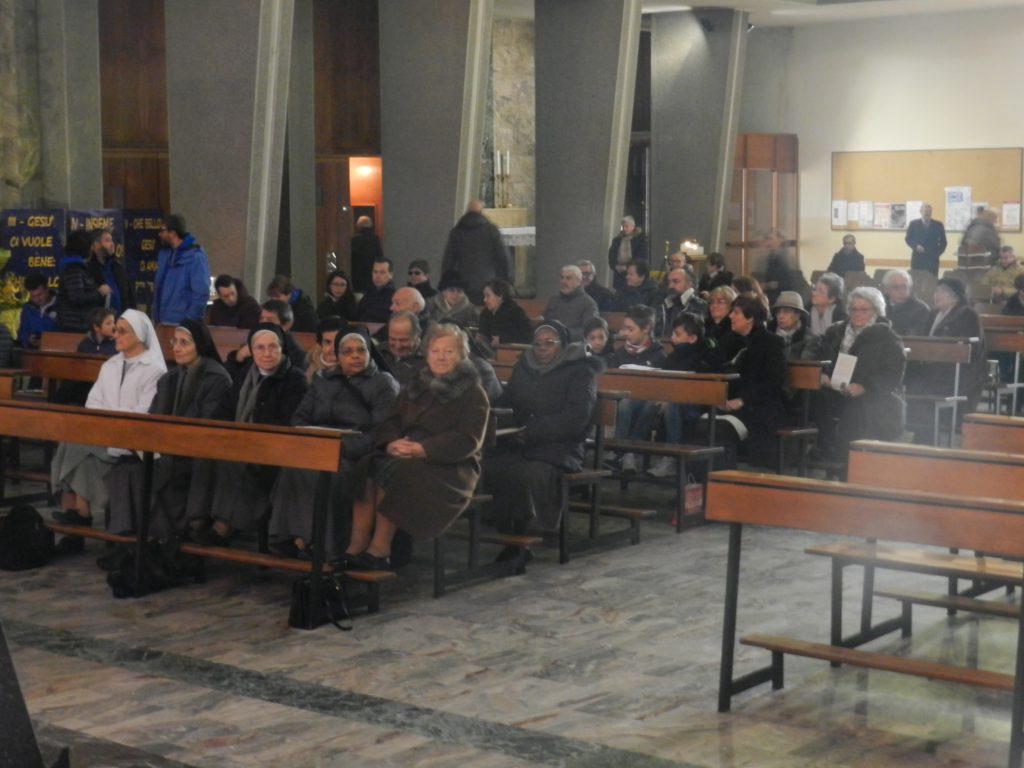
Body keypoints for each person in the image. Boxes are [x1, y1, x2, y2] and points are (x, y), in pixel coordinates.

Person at [338, 323, 489, 570]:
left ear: (461, 355)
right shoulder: (417, 384)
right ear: (426, 354)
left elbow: (467, 439)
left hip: (448, 467)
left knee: (395, 472)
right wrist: (391, 443)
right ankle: (357, 544)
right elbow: (392, 420)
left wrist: (422, 449)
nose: (441, 356)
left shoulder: (473, 393)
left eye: (449, 351)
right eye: (435, 350)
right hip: (405, 454)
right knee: (368, 465)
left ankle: (380, 549)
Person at [268, 330, 399, 559]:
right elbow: (299, 417)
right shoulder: (323, 379)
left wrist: (344, 448)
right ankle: (294, 537)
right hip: (317, 447)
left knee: (325, 473)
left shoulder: (382, 382)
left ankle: (322, 545)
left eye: (361, 350)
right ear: (338, 356)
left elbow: (381, 431)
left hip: (355, 454)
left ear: (369, 353)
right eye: (348, 352)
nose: (355, 356)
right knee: (292, 468)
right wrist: (311, 440)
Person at [105, 320, 233, 538]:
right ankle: (127, 540)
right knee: (122, 469)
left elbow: (208, 424)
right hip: (164, 448)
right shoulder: (169, 378)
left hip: (194, 452)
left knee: (138, 473)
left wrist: (167, 442)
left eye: (185, 342)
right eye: (175, 341)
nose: (177, 348)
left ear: (200, 344)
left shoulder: (216, 378)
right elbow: (154, 415)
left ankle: (153, 539)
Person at [483, 321, 603, 544]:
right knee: (491, 464)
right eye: (537, 344)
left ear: (562, 344)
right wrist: (501, 423)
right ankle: (504, 529)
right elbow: (509, 401)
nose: (542, 349)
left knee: (533, 472)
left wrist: (533, 431)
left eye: (549, 343)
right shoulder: (524, 366)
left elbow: (576, 418)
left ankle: (536, 531)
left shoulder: (580, 370)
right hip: (522, 441)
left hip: (561, 445)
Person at [50, 310, 167, 527]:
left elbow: (143, 412)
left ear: (139, 335)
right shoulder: (110, 365)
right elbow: (93, 402)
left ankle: (77, 512)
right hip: (104, 435)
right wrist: (109, 420)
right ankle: (79, 513)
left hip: (133, 442)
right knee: (71, 444)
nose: (115, 335)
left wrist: (110, 418)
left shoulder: (154, 370)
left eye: (122, 331)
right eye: (115, 330)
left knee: (73, 446)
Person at [197, 323, 309, 545]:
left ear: (282, 349)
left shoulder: (295, 380)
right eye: (260, 348)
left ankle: (222, 526)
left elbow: (288, 422)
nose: (267, 353)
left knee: (235, 462)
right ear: (251, 350)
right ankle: (196, 521)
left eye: (273, 347)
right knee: (204, 458)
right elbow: (223, 411)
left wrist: (245, 439)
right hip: (240, 444)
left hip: (274, 451)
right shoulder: (243, 376)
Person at [808, 287, 906, 465]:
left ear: (876, 311)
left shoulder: (888, 338)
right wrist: (821, 374)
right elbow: (819, 355)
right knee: (814, 397)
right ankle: (822, 450)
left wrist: (864, 387)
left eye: (863, 310)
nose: (857, 314)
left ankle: (845, 462)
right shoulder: (835, 332)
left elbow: (892, 373)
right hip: (835, 388)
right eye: (853, 309)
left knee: (855, 410)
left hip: (873, 395)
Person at [717, 294, 786, 470]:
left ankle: (728, 479)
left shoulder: (771, 343)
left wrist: (742, 400)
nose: (730, 316)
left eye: (736, 312)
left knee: (721, 428)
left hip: (759, 406)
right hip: (731, 403)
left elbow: (773, 383)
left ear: (750, 318)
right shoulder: (729, 341)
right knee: (700, 421)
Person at [648, 312, 721, 478]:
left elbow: (702, 390)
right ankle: (628, 453)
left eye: (677, 334)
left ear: (692, 338)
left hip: (694, 406)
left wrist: (670, 397)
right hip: (669, 400)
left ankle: (671, 457)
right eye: (673, 333)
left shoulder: (705, 358)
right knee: (641, 403)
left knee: (672, 406)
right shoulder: (672, 357)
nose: (672, 338)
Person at [606, 305, 666, 474]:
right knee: (625, 403)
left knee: (651, 405)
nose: (626, 333)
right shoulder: (619, 354)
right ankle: (626, 453)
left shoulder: (658, 355)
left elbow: (663, 386)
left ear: (646, 329)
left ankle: (625, 452)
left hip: (647, 400)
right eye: (624, 328)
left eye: (630, 329)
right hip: (623, 399)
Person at [442, 200, 511, 305]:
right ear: (481, 212)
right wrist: (507, 281)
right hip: (488, 283)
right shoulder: (491, 230)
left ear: (467, 212)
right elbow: (504, 258)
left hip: (463, 284)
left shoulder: (456, 232)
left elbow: (448, 261)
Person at [152, 213, 210, 325]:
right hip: (162, 321)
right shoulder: (165, 255)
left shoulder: (195, 257)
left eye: (162, 230)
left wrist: (189, 322)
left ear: (173, 233)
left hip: (181, 323)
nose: (159, 234)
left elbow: (201, 293)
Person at [225, 299, 307, 374]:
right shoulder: (251, 343)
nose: (264, 324)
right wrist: (238, 357)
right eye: (262, 319)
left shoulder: (295, 355)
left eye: (270, 320)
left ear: (285, 325)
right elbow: (229, 377)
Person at [57, 229, 108, 332]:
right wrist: (99, 293)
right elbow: (77, 297)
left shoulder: (78, 268)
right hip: (75, 325)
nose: (92, 249)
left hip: (79, 323)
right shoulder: (73, 269)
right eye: (91, 246)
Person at [541, 265, 599, 341]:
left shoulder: (589, 303)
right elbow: (546, 321)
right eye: (562, 278)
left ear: (579, 281)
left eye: (568, 278)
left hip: (572, 344)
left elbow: (589, 331)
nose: (563, 282)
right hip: (548, 341)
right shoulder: (554, 300)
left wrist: (564, 334)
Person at [86, 228, 134, 314]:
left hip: (120, 319)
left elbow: (129, 297)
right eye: (107, 240)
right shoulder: (86, 270)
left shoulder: (118, 268)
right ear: (95, 245)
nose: (112, 244)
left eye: (112, 240)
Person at [478, 278, 533, 347]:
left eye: (488, 296)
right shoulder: (485, 313)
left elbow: (527, 335)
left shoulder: (514, 312)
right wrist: (482, 337)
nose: (484, 300)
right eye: (484, 296)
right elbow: (484, 333)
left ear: (500, 296)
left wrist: (502, 339)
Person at [379, 311, 427, 388]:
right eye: (392, 339)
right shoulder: (378, 352)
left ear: (417, 335)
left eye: (403, 340)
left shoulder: (430, 359)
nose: (397, 346)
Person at [656, 268, 707, 339]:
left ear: (689, 284)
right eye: (669, 282)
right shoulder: (662, 305)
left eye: (675, 281)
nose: (670, 286)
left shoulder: (700, 306)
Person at [881, 269, 929, 336]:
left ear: (910, 288)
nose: (901, 291)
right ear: (887, 289)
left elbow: (917, 336)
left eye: (904, 287)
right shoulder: (879, 306)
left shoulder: (920, 309)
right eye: (895, 287)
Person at [16, 272, 58, 348]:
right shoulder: (28, 308)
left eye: (39, 295)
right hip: (31, 352)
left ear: (47, 289)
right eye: (33, 296)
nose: (37, 299)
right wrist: (28, 340)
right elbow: (22, 333)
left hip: (56, 351)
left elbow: (67, 335)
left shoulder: (61, 306)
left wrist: (46, 341)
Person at [905, 203, 948, 275]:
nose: (927, 213)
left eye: (929, 211)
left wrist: (937, 253)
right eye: (925, 211)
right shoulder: (913, 224)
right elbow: (908, 239)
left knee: (932, 280)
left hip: (932, 260)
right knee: (916, 279)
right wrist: (915, 246)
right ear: (921, 212)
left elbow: (944, 242)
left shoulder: (938, 225)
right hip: (917, 259)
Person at [607, 215, 647, 290]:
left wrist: (628, 267)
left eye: (626, 226)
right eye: (623, 226)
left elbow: (641, 257)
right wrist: (615, 266)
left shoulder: (640, 240)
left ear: (633, 227)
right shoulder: (617, 240)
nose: (624, 228)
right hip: (619, 275)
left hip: (634, 275)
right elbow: (611, 256)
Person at [304, 316, 348, 383]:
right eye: (328, 342)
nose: (334, 348)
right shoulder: (310, 368)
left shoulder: (356, 367)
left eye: (338, 341)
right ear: (320, 345)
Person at [769, 291, 811, 360]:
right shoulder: (768, 336)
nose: (781, 316)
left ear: (797, 315)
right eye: (778, 312)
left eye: (786, 312)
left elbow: (805, 364)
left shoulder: (808, 339)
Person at [706, 285, 743, 364]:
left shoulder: (736, 333)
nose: (714, 306)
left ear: (731, 306)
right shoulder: (705, 329)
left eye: (720, 302)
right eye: (711, 302)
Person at [759, 230, 796, 304]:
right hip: (771, 296)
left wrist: (769, 285)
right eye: (767, 239)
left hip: (786, 297)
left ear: (780, 240)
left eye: (771, 238)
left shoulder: (787, 258)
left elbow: (791, 282)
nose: (768, 241)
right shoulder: (770, 257)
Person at [357, 257, 397, 323]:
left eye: (382, 272)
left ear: (391, 275)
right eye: (375, 272)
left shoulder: (395, 296)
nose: (377, 276)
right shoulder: (368, 293)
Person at [350, 215, 384, 294]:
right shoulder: (376, 239)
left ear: (358, 226)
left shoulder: (355, 240)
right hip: (374, 277)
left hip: (359, 278)